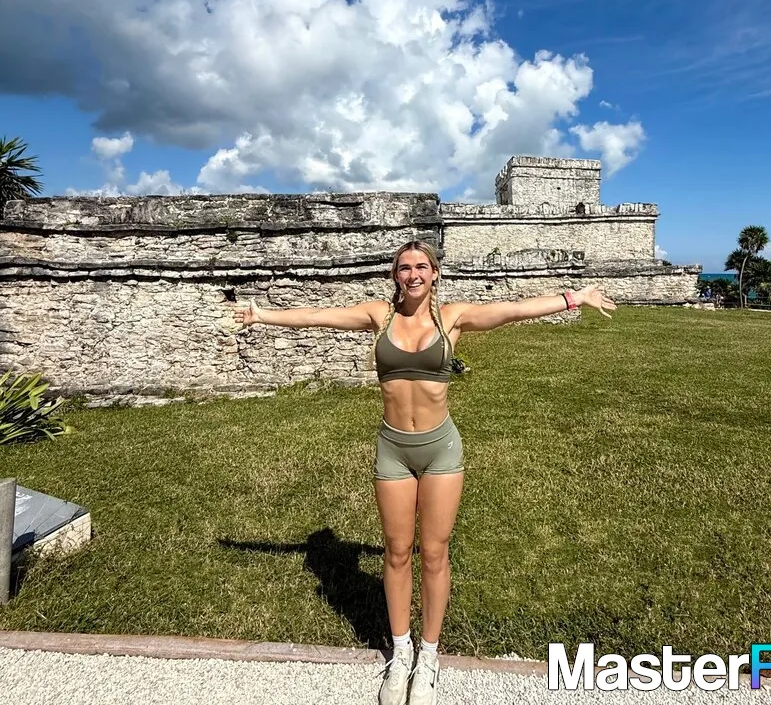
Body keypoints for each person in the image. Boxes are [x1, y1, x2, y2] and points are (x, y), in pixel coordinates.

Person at [234, 240, 616, 705]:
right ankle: (401, 653)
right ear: (395, 275)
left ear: (434, 273)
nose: (412, 274)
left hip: (440, 450)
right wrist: (262, 315)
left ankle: (429, 657)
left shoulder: (452, 318)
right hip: (393, 449)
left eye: (421, 266)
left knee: (434, 553)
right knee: (397, 552)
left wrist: (576, 297)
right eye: (404, 268)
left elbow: (514, 310)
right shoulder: (379, 316)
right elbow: (320, 315)